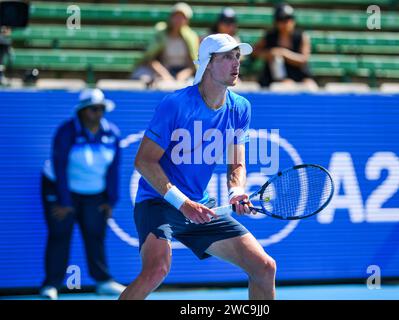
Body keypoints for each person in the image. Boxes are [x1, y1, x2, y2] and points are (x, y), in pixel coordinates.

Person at [119, 34, 277, 300]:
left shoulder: (240, 108)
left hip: (200, 205)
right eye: (227, 56)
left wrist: (236, 191)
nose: (236, 63)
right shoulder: (176, 104)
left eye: (237, 56)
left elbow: (236, 163)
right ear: (207, 63)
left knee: (264, 267)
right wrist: (182, 204)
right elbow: (144, 161)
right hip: (158, 203)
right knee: (156, 270)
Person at [40, 88, 125, 300]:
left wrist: (110, 200)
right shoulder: (66, 132)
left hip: (93, 193)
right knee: (60, 234)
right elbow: (60, 167)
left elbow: (114, 170)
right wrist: (64, 200)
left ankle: (103, 281)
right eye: (93, 109)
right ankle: (51, 285)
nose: (98, 113)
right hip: (60, 190)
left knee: (95, 234)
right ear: (82, 111)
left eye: (101, 109)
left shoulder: (112, 133)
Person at [252, 3, 318, 90]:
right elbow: (254, 51)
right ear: (276, 22)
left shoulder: (301, 36)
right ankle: (282, 79)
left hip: (299, 75)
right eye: (281, 20)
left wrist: (284, 53)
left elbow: (304, 59)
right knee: (276, 58)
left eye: (288, 19)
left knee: (311, 87)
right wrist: (270, 53)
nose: (285, 23)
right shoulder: (270, 36)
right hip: (275, 77)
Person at [131, 2, 199, 84]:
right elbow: (151, 59)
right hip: (162, 70)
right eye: (176, 16)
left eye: (182, 17)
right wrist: (165, 75)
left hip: (183, 73)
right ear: (171, 17)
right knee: (142, 76)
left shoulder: (192, 37)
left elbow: (194, 63)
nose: (178, 20)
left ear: (187, 20)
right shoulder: (160, 34)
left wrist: (183, 74)